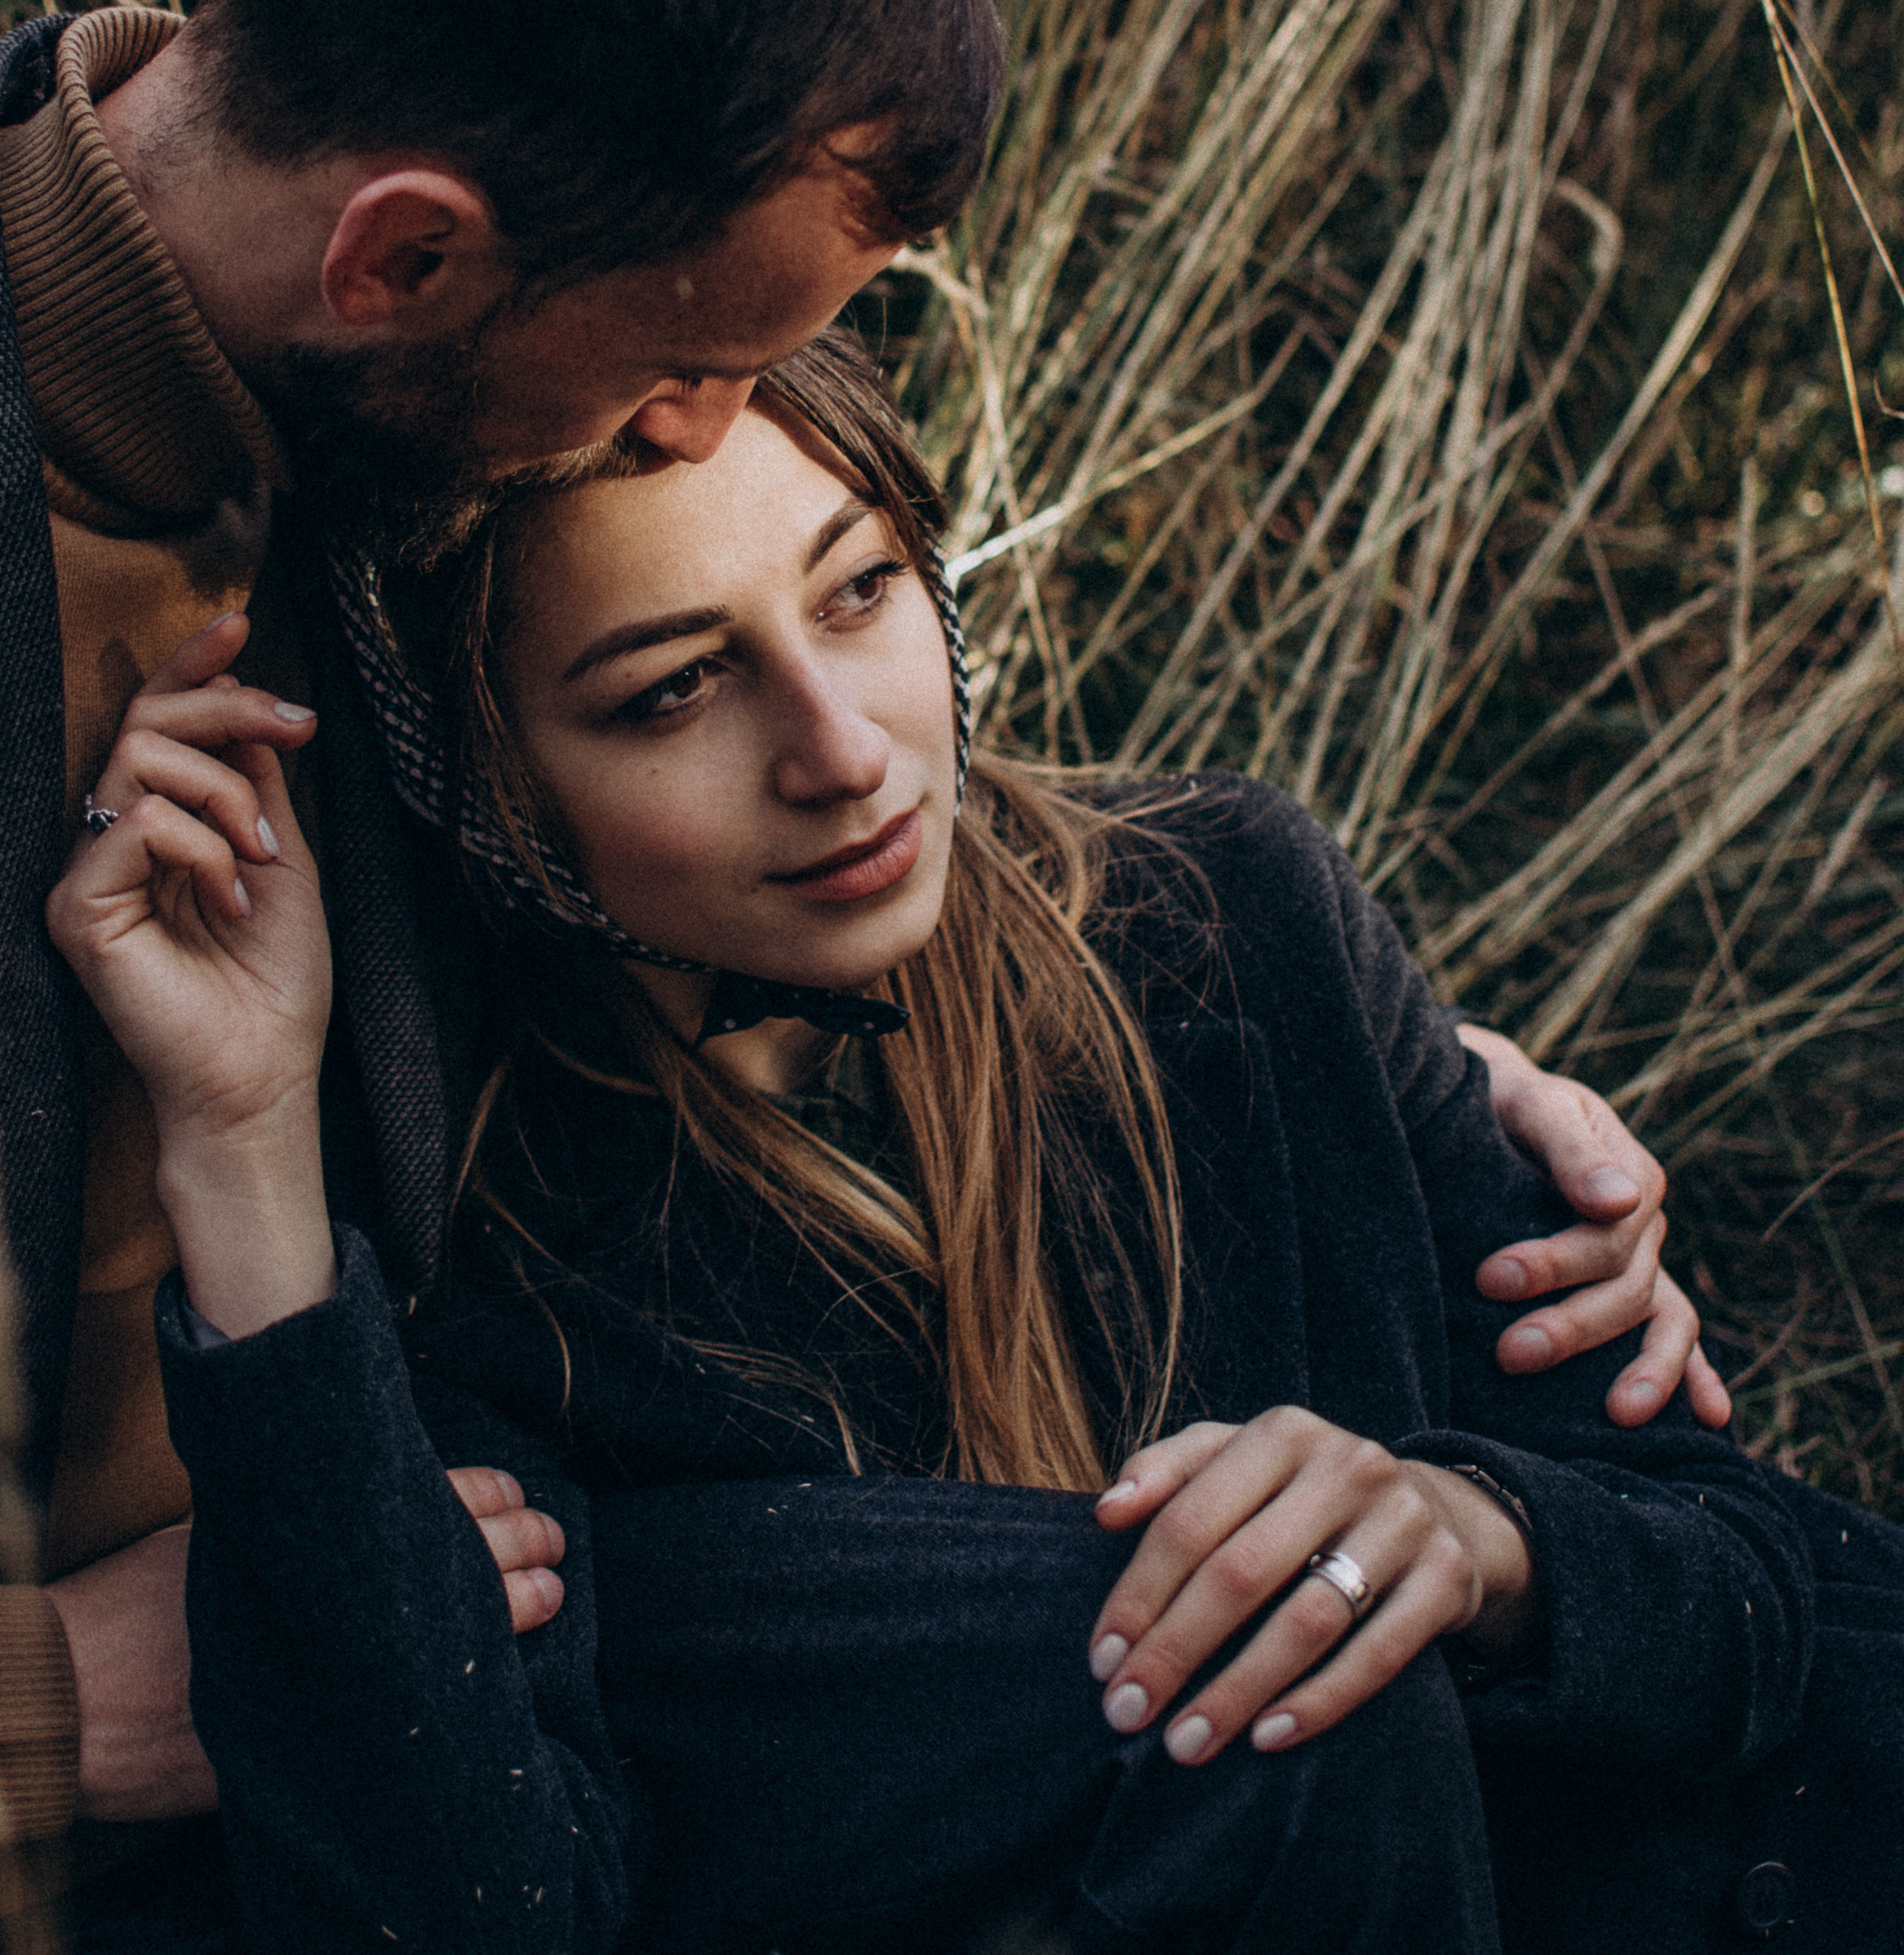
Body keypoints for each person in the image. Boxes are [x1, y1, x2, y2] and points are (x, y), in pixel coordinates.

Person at [0, 0, 1708, 1933]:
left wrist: (1401, 1091)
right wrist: (31, 1718)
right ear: (403, 254)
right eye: (692, 360)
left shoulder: (359, 453)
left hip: (447, 1653)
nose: (699, 431)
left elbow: (673, 839)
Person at [47, 327, 1880, 1953]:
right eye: (671, 689)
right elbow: (455, 1905)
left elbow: (1766, 1584)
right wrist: (243, 1135)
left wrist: (1479, 1537)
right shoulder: (493, 1246)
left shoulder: (1222, 910)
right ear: (488, 782)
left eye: (858, 591)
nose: (842, 748)